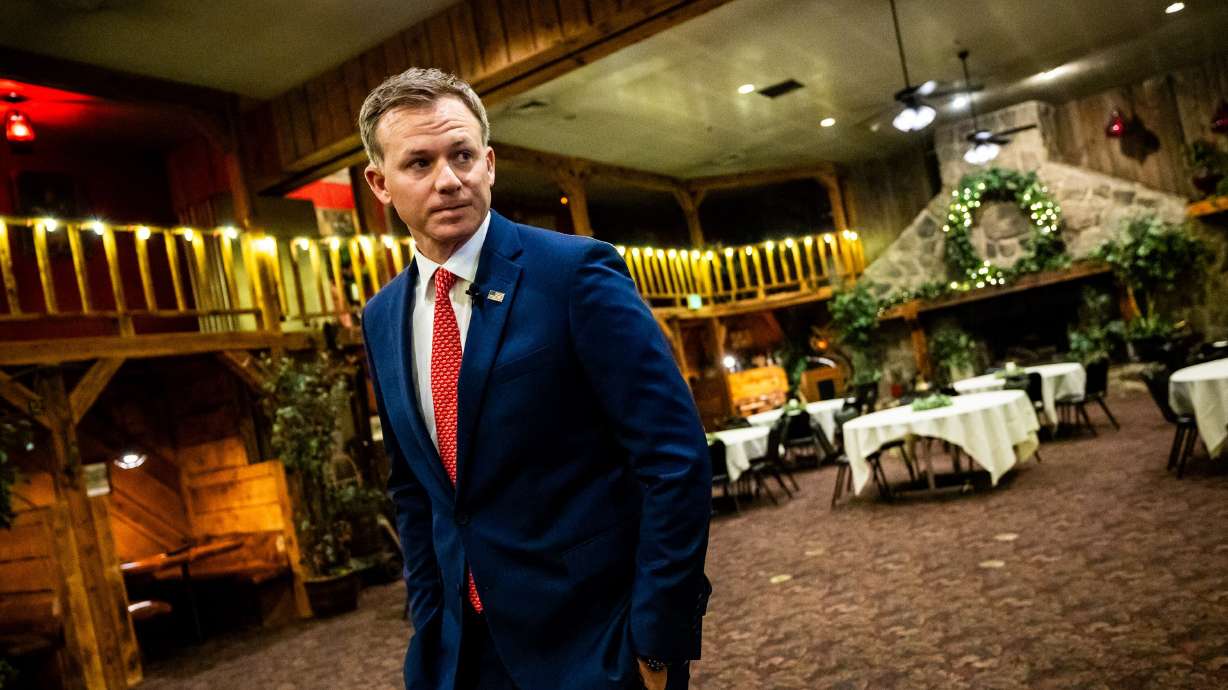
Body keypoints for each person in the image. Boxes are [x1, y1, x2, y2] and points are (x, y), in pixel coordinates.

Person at [358, 67, 711, 690]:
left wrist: (657, 640)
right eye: (419, 163)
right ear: (380, 184)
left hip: (595, 645)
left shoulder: (574, 274)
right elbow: (414, 490)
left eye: (462, 155)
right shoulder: (383, 315)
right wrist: (430, 623)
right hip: (463, 657)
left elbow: (675, 459)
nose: (449, 180)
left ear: (489, 163)